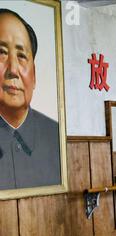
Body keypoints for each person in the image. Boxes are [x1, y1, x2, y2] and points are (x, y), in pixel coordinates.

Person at [0, 9, 60, 190]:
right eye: (1, 52)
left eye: (21, 56)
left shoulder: (56, 136)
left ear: (33, 75)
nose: (13, 70)